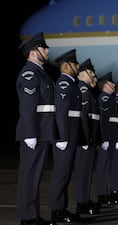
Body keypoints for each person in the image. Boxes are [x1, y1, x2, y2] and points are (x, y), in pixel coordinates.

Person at [16, 32, 56, 225]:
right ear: (33, 52)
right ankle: (27, 217)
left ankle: (32, 215)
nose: (47, 50)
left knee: (35, 176)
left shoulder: (40, 72)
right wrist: (30, 134)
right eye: (43, 48)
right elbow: (28, 106)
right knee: (29, 175)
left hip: (42, 130)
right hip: (34, 132)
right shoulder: (30, 73)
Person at [49, 49, 82, 223]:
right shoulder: (64, 83)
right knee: (61, 174)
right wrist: (61, 137)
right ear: (67, 66)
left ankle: (61, 208)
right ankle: (56, 211)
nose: (78, 67)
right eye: (75, 64)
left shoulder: (71, 83)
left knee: (65, 174)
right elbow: (61, 113)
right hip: (65, 137)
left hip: (70, 135)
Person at [74, 58, 101, 215]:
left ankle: (84, 200)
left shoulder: (88, 91)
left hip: (89, 138)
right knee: (82, 172)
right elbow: (83, 116)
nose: (94, 76)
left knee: (87, 171)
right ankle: (80, 202)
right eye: (91, 73)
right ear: (83, 74)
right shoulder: (83, 90)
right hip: (85, 139)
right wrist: (84, 138)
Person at [95, 72, 118, 206]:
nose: (113, 85)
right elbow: (103, 121)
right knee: (103, 167)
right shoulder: (104, 98)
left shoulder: (110, 98)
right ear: (105, 86)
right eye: (111, 83)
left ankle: (104, 192)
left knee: (107, 166)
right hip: (106, 139)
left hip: (111, 138)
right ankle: (101, 194)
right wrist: (104, 138)